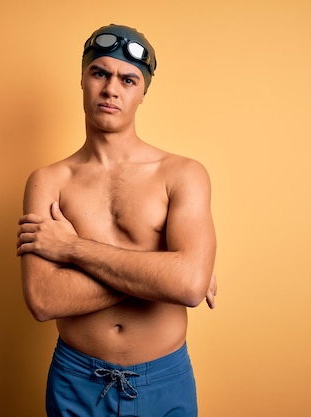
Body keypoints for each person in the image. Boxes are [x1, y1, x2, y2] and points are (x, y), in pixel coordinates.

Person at [16, 23, 217, 417]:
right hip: (75, 381)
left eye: (128, 79)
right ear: (83, 80)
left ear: (142, 93)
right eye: (99, 73)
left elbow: (190, 286)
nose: (111, 89)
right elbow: (43, 300)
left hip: (163, 379)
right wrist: (165, 272)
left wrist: (72, 248)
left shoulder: (182, 174)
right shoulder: (48, 181)